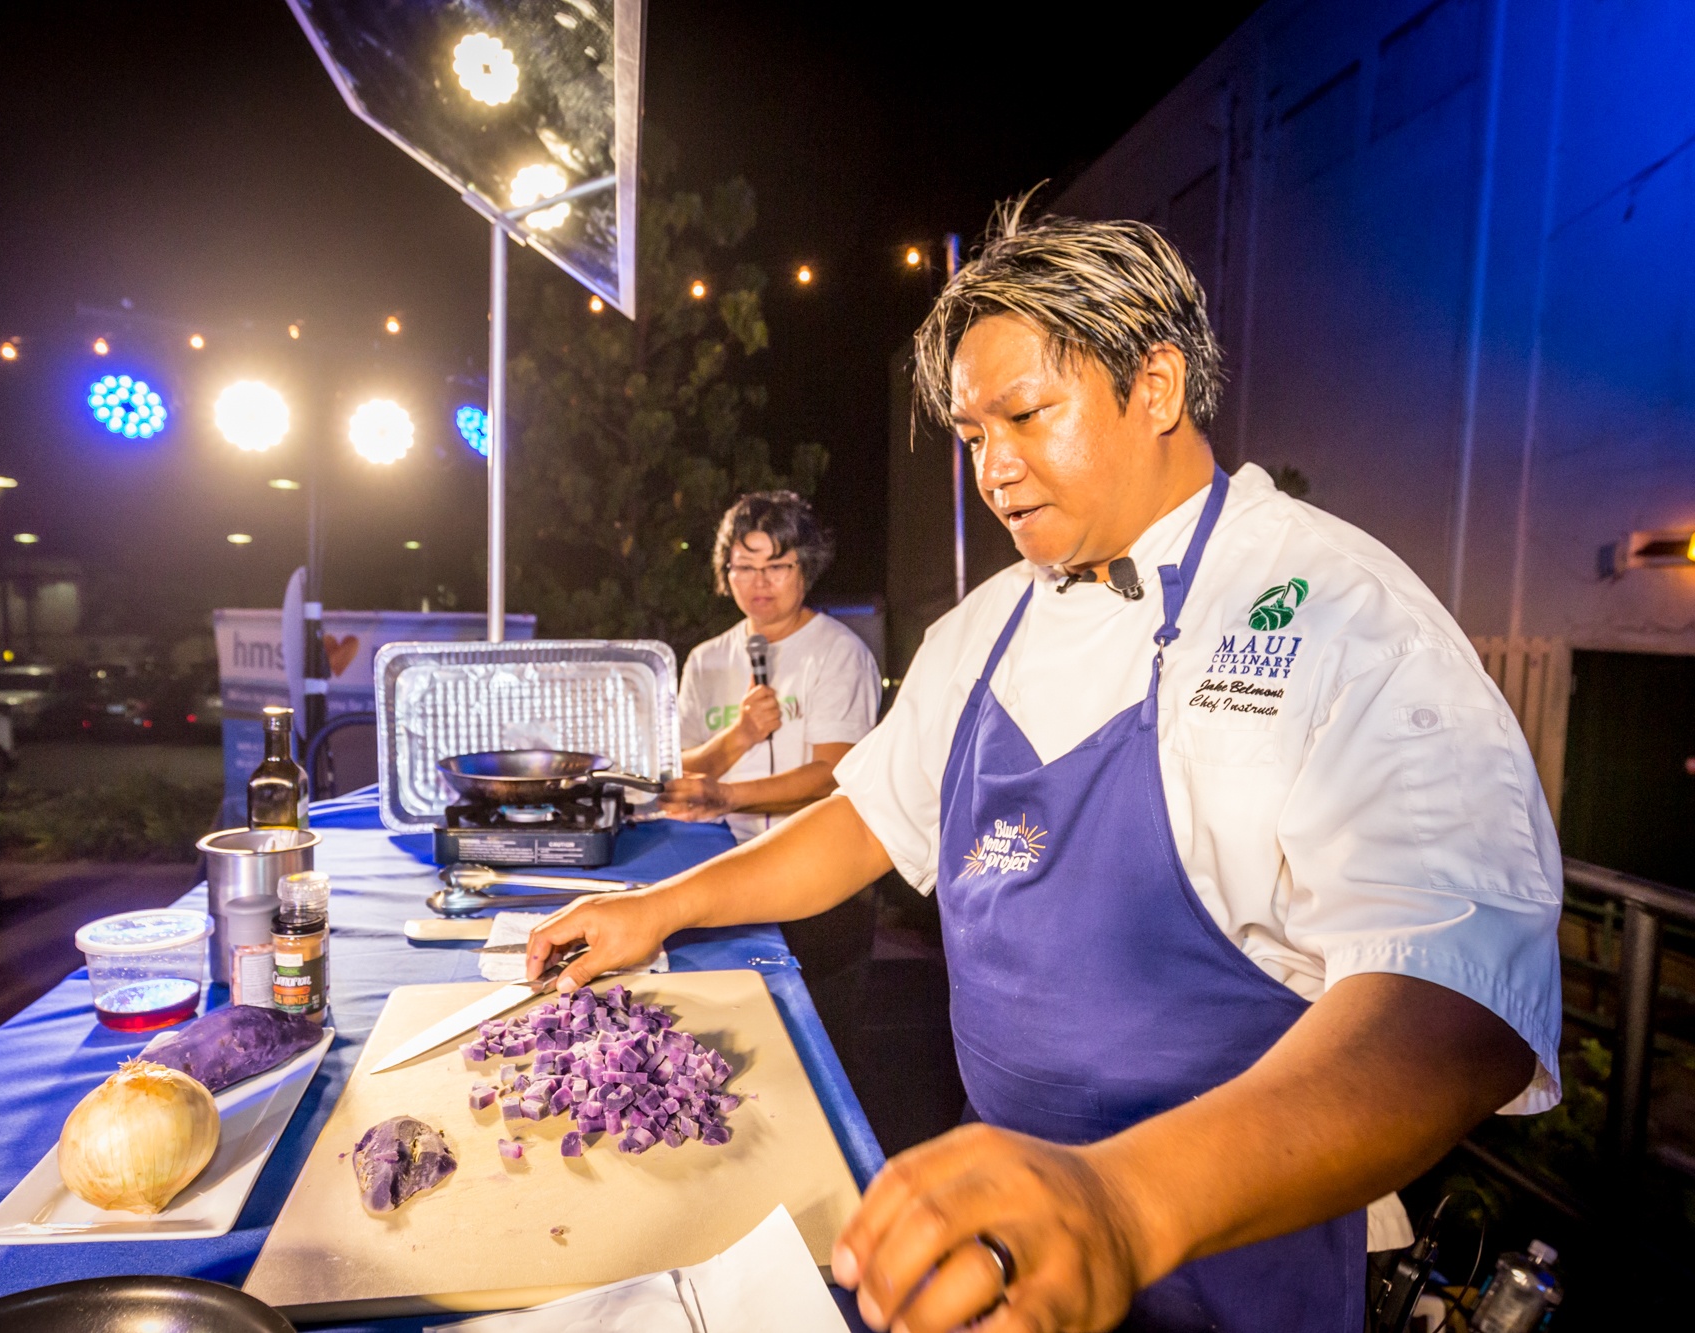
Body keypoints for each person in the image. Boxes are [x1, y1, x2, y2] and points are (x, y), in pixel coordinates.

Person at [530, 204, 1562, 1332]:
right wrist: (661, 905)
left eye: (1026, 415)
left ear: (1155, 386)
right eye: (973, 436)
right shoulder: (984, 630)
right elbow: (866, 819)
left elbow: (1456, 1005)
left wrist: (1119, 1204)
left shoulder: (1336, 611)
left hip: (1226, 1249)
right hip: (1006, 1220)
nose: (993, 469)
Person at [664, 492, 881, 1052]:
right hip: (725, 875)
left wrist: (728, 794)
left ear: (804, 568)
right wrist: (736, 737)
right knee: (733, 1045)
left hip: (823, 886)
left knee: (820, 1048)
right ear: (725, 572)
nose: (759, 582)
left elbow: (833, 774)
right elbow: (678, 768)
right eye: (745, 567)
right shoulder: (708, 658)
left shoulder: (838, 653)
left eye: (777, 566)